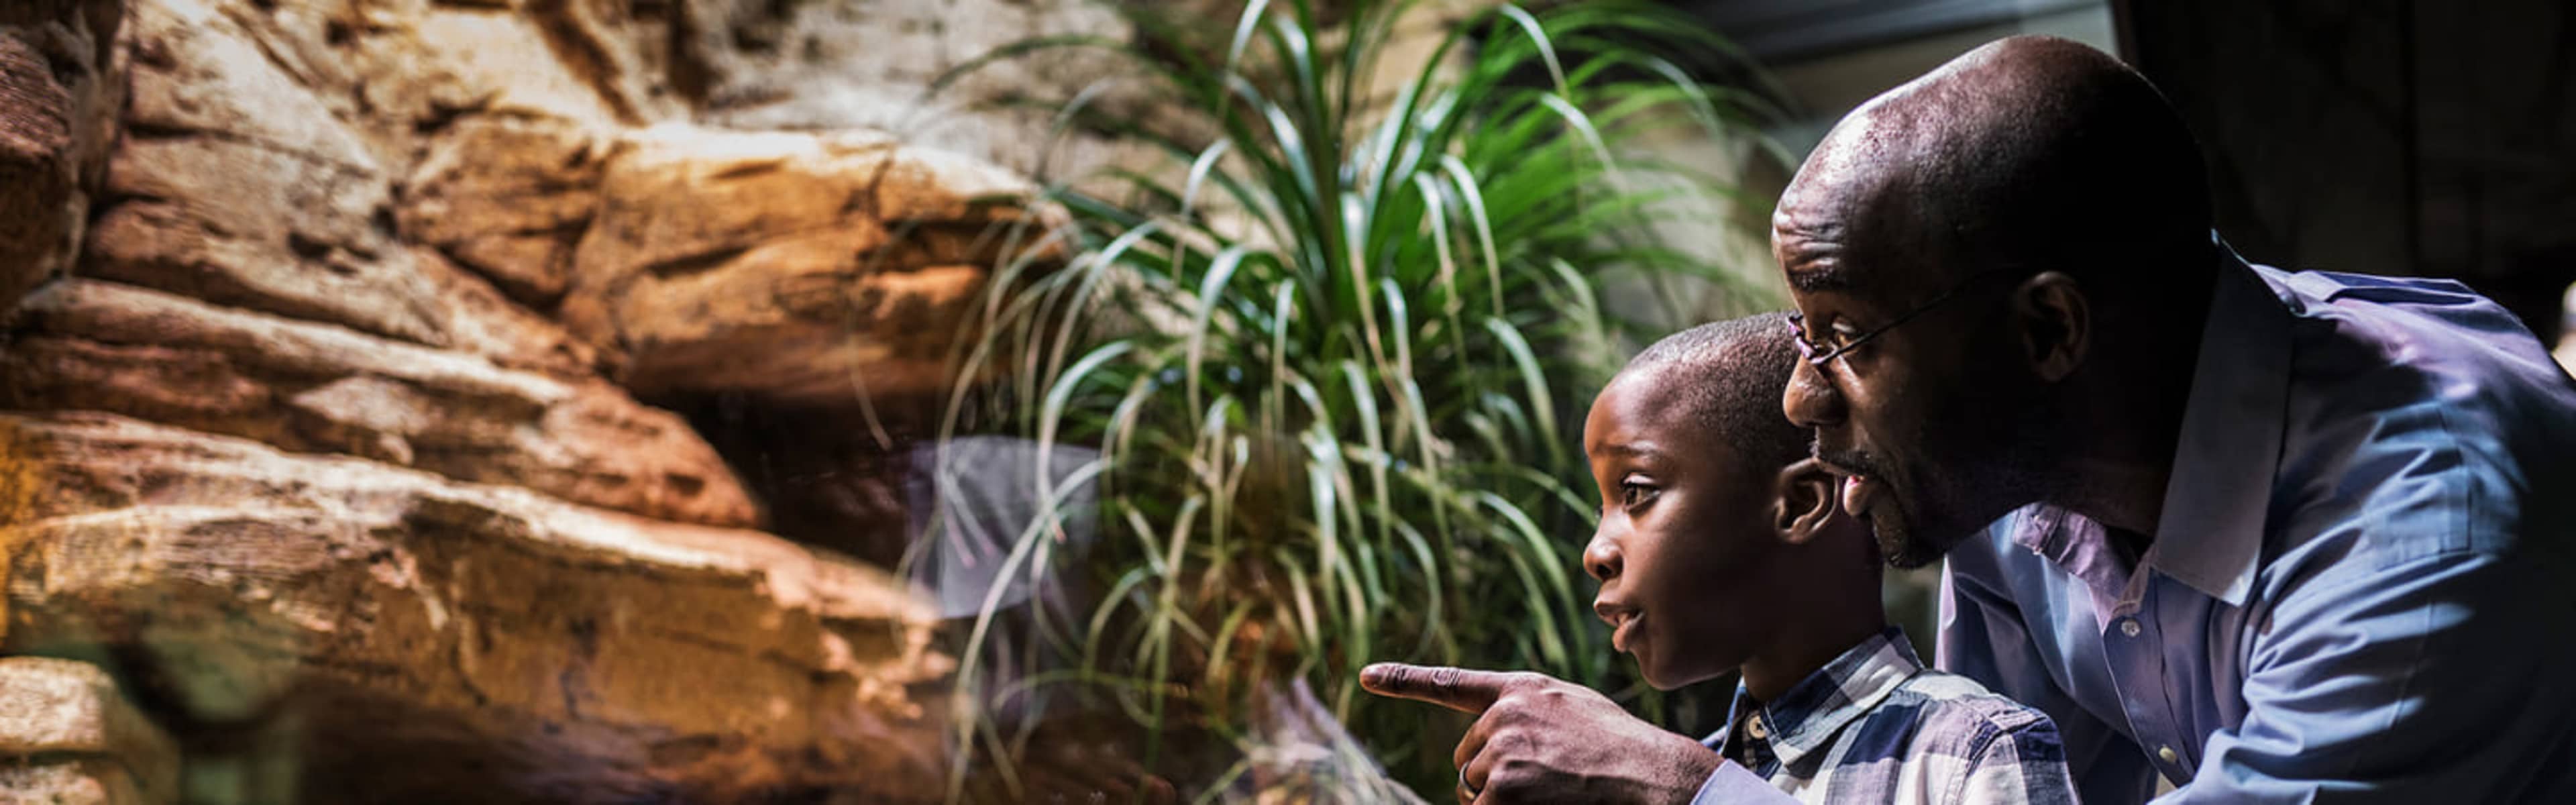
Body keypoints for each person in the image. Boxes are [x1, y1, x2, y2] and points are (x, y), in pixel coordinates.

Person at [1775, 36, 2576, 804]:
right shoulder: (2015, 455)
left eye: (1844, 338)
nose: (1801, 397)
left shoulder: (2423, 548)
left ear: (2049, 331)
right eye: (1802, 335)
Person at [1363, 315, 2079, 804]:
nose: (1596, 550)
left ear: (1800, 506)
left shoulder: (1970, 753)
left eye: (1635, 493)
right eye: (1601, 506)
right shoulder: (1644, 783)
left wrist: (1688, 790)